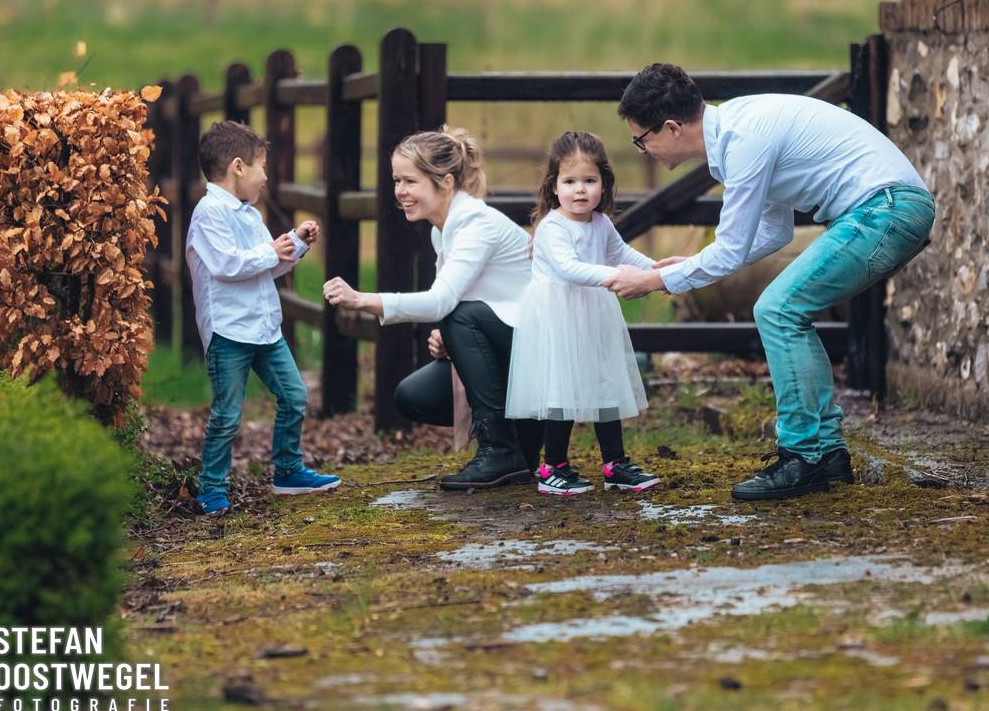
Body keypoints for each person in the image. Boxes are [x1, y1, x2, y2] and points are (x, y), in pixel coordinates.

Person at [606, 63, 934, 501]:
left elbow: (730, 248)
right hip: (884, 209)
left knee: (778, 310)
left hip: (886, 210)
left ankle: (803, 457)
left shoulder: (744, 141)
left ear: (670, 128)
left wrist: (658, 279)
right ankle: (827, 453)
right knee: (784, 310)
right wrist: (688, 264)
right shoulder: (737, 135)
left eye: (640, 140)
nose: (642, 150)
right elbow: (772, 232)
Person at [322, 128, 544, 490]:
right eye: (396, 180)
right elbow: (458, 300)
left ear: (445, 181)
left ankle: (502, 448)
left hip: (541, 347)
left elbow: (443, 301)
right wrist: (454, 338)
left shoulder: (475, 222)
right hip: (512, 343)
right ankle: (521, 440)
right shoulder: (442, 230)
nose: (400, 191)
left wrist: (364, 299)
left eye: (410, 180)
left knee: (461, 317)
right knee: (414, 396)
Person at [186, 120, 340, 516]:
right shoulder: (209, 214)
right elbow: (227, 266)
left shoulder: (249, 215)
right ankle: (212, 487)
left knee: (295, 396)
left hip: (264, 328)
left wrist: (295, 244)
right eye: (261, 167)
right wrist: (274, 249)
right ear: (238, 167)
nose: (266, 177)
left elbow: (264, 265)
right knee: (227, 414)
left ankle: (288, 470)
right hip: (229, 331)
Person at [506, 131, 660, 496]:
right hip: (558, 318)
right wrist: (617, 277)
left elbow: (623, 255)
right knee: (563, 390)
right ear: (553, 185)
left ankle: (615, 464)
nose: (580, 190)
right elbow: (567, 268)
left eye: (589, 181)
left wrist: (658, 273)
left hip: (594, 314)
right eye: (570, 181)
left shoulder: (601, 223)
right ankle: (552, 467)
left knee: (607, 385)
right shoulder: (552, 227)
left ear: (604, 184)